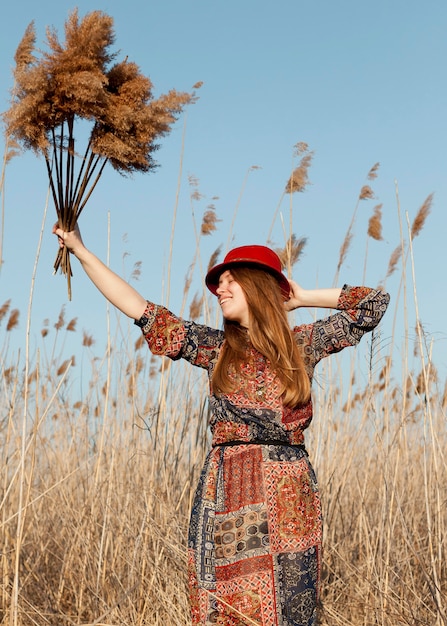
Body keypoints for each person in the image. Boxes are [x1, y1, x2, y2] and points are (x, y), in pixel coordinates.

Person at [53, 224, 390, 626]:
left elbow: (373, 304)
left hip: (289, 499)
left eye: (231, 281)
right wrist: (82, 250)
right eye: (220, 283)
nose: (220, 290)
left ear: (258, 287)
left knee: (293, 609)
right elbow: (139, 308)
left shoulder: (303, 344)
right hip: (228, 489)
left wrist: (300, 297)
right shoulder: (216, 347)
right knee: (228, 610)